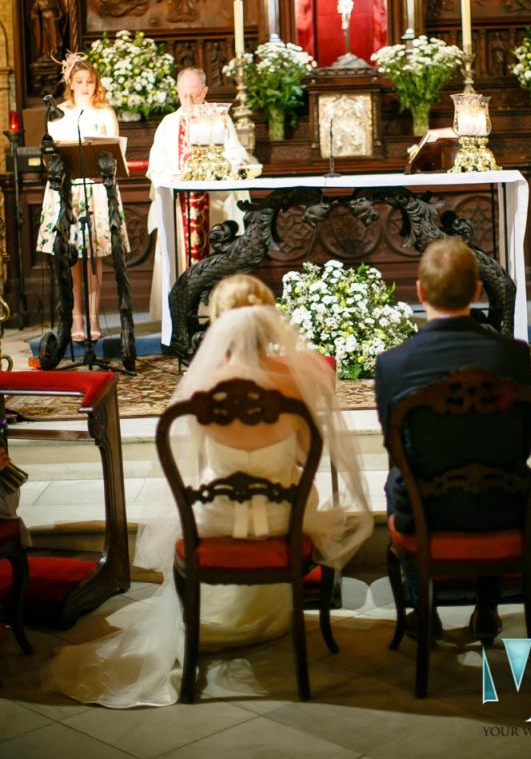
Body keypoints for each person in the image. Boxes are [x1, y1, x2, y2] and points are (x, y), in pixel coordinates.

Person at [46, 274, 373, 707]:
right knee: (307, 498)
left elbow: (195, 461)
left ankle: (218, 619)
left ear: (219, 322)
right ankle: (267, 617)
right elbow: (305, 457)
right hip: (282, 520)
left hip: (214, 517)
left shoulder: (200, 387)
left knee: (208, 494)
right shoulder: (293, 384)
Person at [374, 237, 531, 641]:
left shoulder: (393, 363)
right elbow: (525, 441)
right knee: (504, 466)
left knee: (398, 481)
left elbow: (394, 448)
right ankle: (487, 608)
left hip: (425, 515)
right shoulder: (513, 356)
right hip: (506, 507)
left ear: (420, 291)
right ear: (478, 291)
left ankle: (423, 609)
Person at [36, 53, 129, 342]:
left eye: (90, 81)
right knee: (72, 255)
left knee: (94, 256)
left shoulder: (105, 113)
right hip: (69, 190)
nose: (85, 86)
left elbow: (117, 154)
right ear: (70, 83)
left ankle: (93, 318)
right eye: (79, 81)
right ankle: (76, 317)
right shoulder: (59, 113)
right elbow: (52, 154)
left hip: (97, 190)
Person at [146, 66, 251, 319]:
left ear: (204, 91)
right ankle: (179, 318)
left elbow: (237, 156)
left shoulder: (221, 120)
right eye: (184, 96)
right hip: (179, 207)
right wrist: (175, 176)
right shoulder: (169, 124)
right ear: (177, 93)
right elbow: (156, 166)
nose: (190, 102)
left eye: (195, 95)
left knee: (217, 257)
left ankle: (216, 316)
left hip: (214, 206)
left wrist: (222, 170)